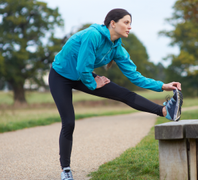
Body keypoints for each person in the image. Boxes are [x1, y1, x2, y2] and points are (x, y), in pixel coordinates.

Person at [48, 8, 183, 180]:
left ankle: (165, 111)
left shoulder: (117, 47)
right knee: (69, 122)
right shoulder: (93, 35)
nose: (129, 27)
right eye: (126, 22)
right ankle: (65, 170)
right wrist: (92, 83)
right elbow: (82, 68)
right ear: (113, 23)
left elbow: (135, 76)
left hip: (84, 75)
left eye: (130, 23)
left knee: (124, 93)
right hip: (61, 75)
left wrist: (163, 86)